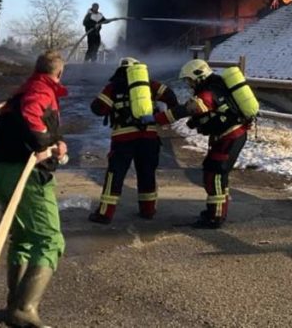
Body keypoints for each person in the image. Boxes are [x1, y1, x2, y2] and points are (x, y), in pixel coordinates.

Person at [0, 51, 68, 328]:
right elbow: (32, 114)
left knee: (24, 239)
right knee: (50, 240)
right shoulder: (40, 90)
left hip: (2, 170)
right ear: (59, 73)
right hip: (28, 174)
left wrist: (55, 142)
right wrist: (45, 143)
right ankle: (24, 309)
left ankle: (14, 307)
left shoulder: (24, 89)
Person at [159, 60, 251, 229]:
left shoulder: (208, 92)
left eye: (190, 80)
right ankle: (215, 212)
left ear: (198, 76)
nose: (189, 84)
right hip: (227, 136)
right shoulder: (216, 85)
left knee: (215, 174)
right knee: (213, 172)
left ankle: (215, 217)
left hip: (230, 137)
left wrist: (158, 120)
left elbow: (188, 109)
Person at [87, 57, 178, 224]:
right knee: (147, 173)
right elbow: (170, 96)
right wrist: (160, 114)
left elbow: (98, 108)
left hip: (123, 138)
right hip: (149, 137)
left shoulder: (113, 87)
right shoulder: (149, 85)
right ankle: (148, 210)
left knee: (115, 175)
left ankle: (105, 214)